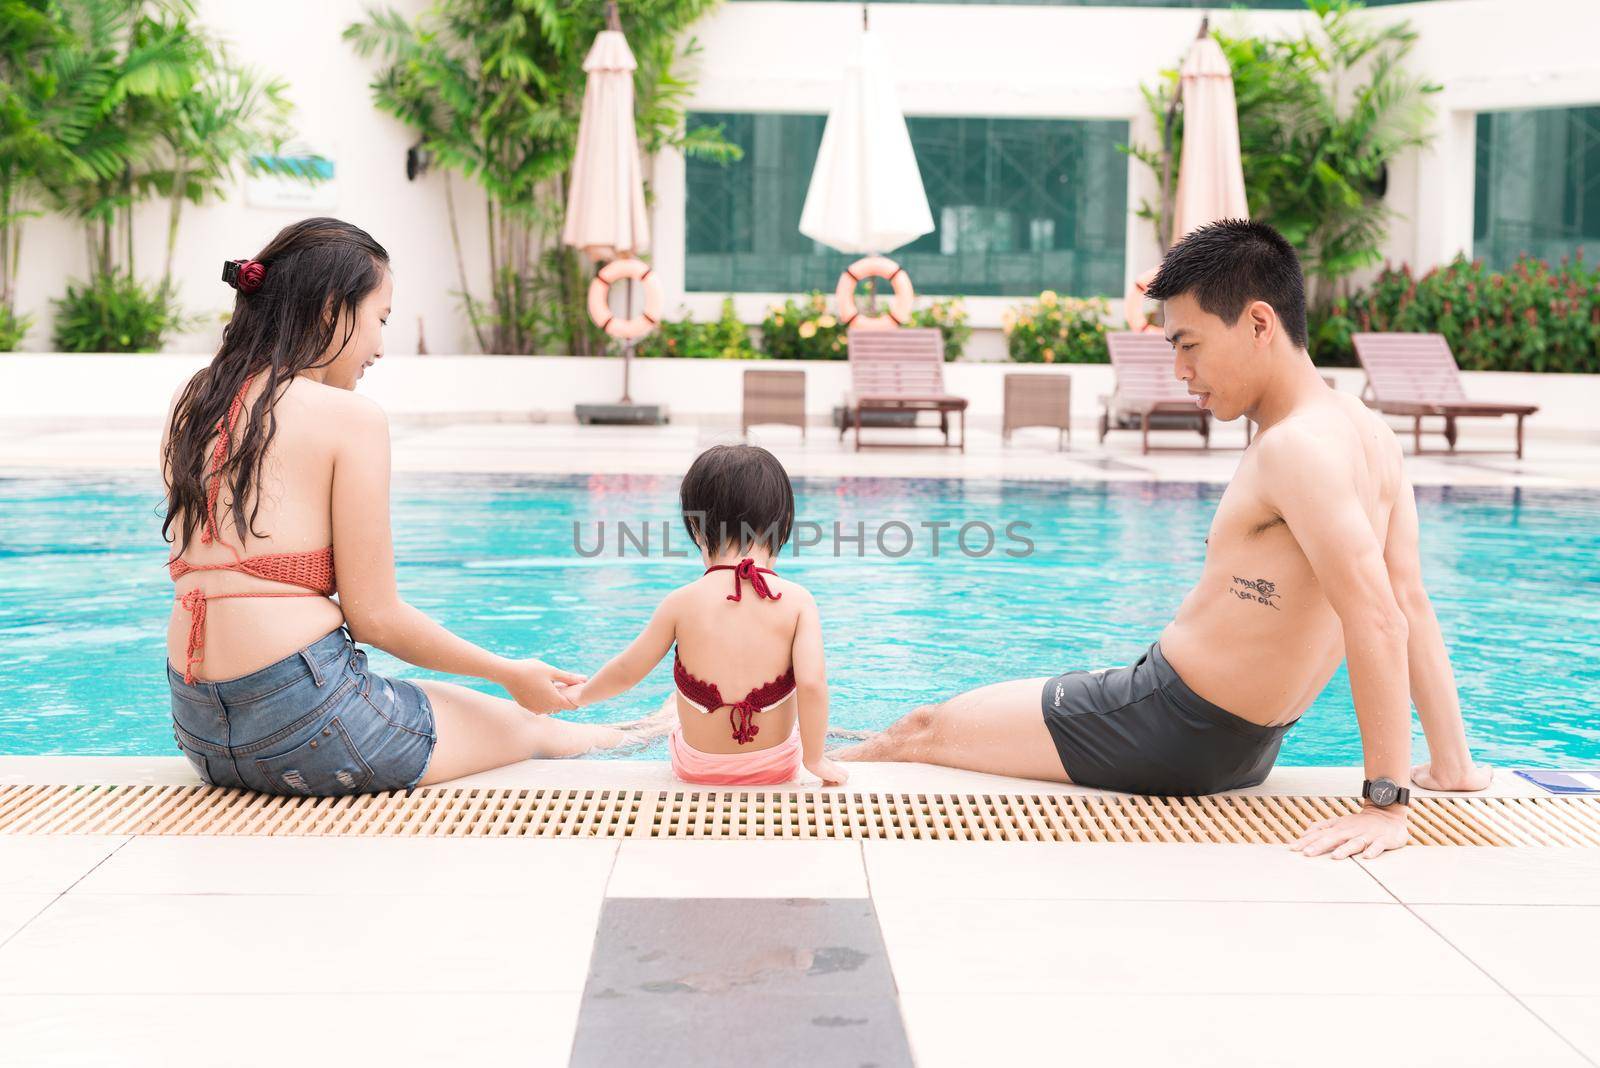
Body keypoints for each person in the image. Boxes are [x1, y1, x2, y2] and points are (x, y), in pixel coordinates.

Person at [839, 219, 1491, 859]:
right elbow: (1411, 600)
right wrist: (1451, 764)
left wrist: (1385, 804)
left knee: (918, 729)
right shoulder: (1367, 430)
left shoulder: (1296, 448)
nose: (1180, 370)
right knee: (946, 726)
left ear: (1260, 324)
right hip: (1245, 751)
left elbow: (1377, 618)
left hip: (1164, 723)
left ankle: (801, 774)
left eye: (1190, 344)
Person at [162, 217, 643, 797]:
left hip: (201, 732)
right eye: (380, 320)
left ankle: (618, 732)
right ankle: (637, 733)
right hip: (309, 722)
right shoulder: (350, 418)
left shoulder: (193, 404)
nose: (381, 348)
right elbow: (377, 618)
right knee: (527, 729)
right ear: (332, 310)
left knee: (475, 713)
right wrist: (509, 673)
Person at [560, 444, 847, 787]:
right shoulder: (798, 601)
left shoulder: (680, 602)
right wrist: (814, 759)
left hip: (696, 767)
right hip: (776, 766)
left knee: (673, 712)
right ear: (782, 526)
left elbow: (627, 670)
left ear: (696, 531)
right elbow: (812, 684)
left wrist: (579, 695)